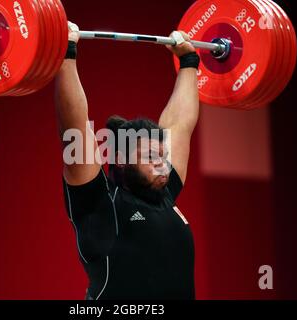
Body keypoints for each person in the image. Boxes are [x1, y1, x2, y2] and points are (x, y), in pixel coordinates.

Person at [54, 22, 200, 300]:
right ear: (120, 159)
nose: (162, 164)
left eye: (163, 156)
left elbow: (180, 125)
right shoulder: (100, 204)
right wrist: (67, 54)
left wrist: (189, 61)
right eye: (150, 156)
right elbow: (73, 129)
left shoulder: (165, 193)